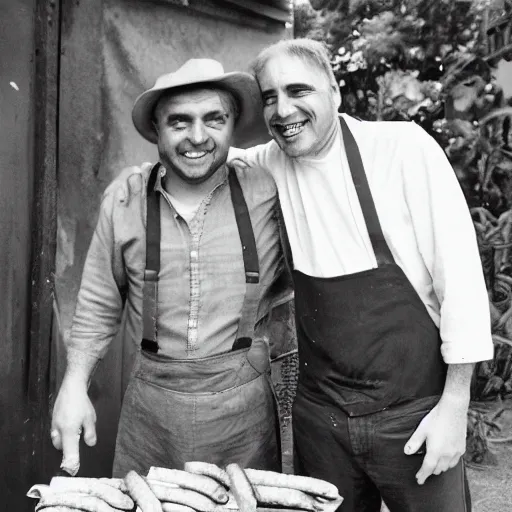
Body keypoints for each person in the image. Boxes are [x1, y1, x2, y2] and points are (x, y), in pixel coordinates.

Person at [228, 39, 494, 511]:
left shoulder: (401, 149)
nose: (283, 109)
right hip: (321, 419)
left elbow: (462, 282)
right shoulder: (267, 163)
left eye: (297, 90)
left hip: (414, 415)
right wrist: (145, 177)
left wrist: (454, 407)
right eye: (269, 97)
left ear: (334, 92)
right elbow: (202, 161)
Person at [51, 59, 291, 477]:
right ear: (156, 130)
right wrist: (73, 386)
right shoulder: (125, 199)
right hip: (152, 419)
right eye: (180, 122)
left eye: (214, 119)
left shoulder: (268, 190)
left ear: (232, 126)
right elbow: (97, 304)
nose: (197, 137)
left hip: (244, 420)